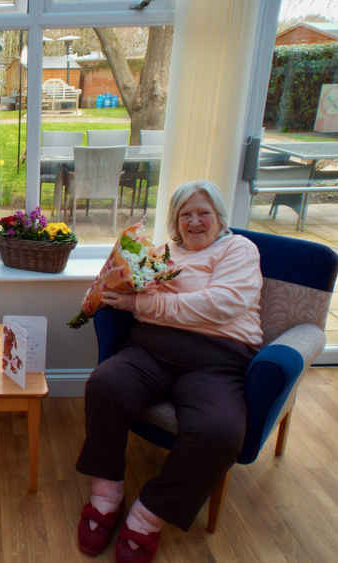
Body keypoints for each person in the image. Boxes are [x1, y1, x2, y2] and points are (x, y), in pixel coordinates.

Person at [76, 180, 263, 562]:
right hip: (153, 349)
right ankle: (107, 491)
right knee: (105, 386)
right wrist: (106, 290)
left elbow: (221, 305)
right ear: (176, 221)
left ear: (219, 218)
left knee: (220, 432)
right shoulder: (161, 254)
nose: (194, 221)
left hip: (218, 360)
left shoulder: (238, 249)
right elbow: (136, 292)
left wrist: (146, 305)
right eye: (185, 214)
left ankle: (149, 512)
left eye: (203, 213)